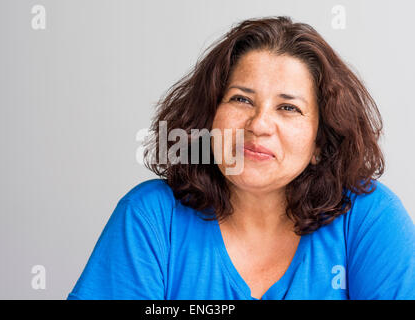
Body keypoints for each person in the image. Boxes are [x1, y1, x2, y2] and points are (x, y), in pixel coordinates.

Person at [67, 16, 414, 300]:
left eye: (288, 107)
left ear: (319, 143)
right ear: (208, 118)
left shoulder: (369, 218)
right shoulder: (151, 217)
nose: (259, 124)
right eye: (241, 100)